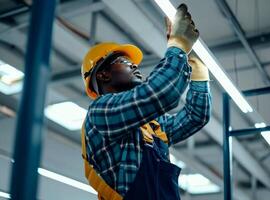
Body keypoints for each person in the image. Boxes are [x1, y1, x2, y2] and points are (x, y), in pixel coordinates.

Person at [81, 4, 211, 200]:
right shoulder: (100, 112)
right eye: (124, 62)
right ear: (103, 74)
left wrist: (199, 77)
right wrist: (177, 47)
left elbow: (195, 116)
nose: (134, 64)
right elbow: (159, 94)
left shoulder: (151, 126)